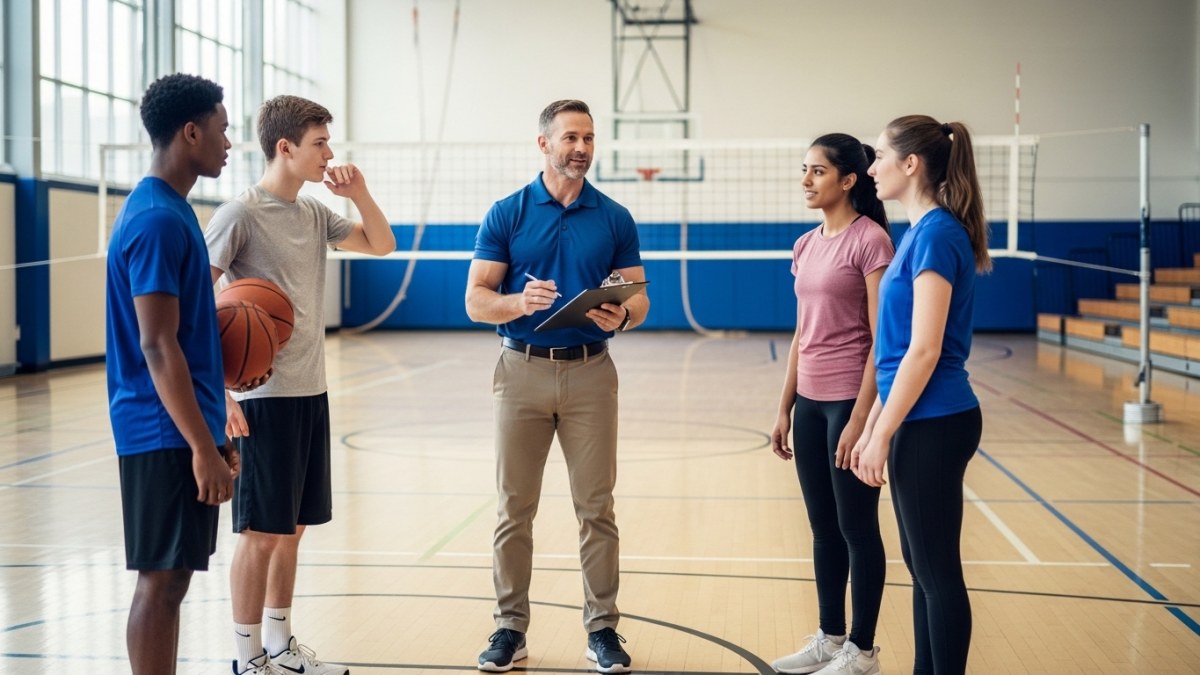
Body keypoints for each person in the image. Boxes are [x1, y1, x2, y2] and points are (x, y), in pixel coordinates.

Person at [205, 95, 396, 675]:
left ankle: (282, 647)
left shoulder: (315, 213)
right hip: (261, 400)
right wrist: (223, 394)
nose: (329, 154)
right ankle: (246, 657)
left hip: (311, 391)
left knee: (292, 530)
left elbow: (382, 244)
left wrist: (358, 192)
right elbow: (195, 305)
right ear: (285, 147)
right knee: (261, 534)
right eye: (320, 143)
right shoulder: (238, 213)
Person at [465, 99, 649, 674]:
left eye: (589, 138)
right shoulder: (508, 213)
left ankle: (602, 630)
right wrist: (519, 302)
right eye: (571, 137)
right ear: (543, 143)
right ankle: (509, 628)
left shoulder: (614, 217)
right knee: (513, 508)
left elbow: (639, 297)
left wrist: (622, 317)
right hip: (520, 369)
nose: (582, 148)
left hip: (592, 371)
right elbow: (475, 300)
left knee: (597, 509)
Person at [105, 73, 238, 675]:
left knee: (173, 578)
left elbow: (186, 338)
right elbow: (158, 346)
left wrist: (216, 428)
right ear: (191, 132)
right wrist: (200, 448)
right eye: (222, 128)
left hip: (181, 426)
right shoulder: (157, 220)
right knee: (160, 583)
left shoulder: (173, 209)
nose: (229, 141)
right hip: (162, 431)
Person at [852, 115, 990, 675]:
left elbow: (925, 352)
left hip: (937, 420)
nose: (871, 167)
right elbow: (898, 354)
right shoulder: (920, 233)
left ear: (911, 165)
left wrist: (880, 433)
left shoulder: (937, 235)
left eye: (880, 156)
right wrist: (874, 426)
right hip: (917, 415)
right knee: (922, 567)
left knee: (937, 572)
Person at [770, 134, 894, 675]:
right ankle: (830, 635)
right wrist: (783, 407)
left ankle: (862, 650)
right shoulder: (805, 244)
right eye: (805, 169)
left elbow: (881, 338)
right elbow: (801, 334)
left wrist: (861, 420)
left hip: (849, 401)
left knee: (856, 527)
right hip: (811, 402)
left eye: (817, 171)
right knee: (822, 527)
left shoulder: (871, 243)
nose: (805, 180)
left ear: (848, 180)